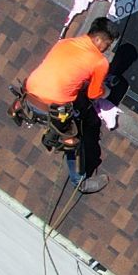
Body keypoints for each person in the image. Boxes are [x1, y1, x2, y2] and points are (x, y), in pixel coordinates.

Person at [20, 18, 116, 190]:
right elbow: (93, 93)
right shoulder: (100, 62)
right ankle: (80, 182)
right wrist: (107, 91)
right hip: (52, 108)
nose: (107, 49)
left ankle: (52, 134)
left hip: (29, 96)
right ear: (98, 40)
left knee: (75, 98)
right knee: (74, 139)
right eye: (107, 45)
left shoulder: (64, 43)